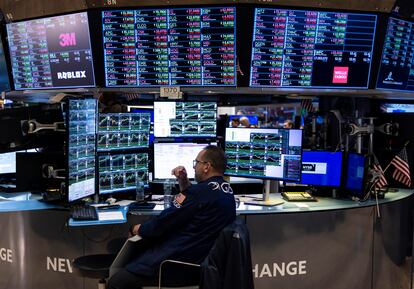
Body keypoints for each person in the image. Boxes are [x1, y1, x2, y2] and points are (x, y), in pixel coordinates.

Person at [107, 145, 236, 289]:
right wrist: (183, 180)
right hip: (201, 264)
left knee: (116, 283)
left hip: (175, 266)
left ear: (207, 166)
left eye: (197, 163)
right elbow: (194, 202)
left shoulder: (198, 194)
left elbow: (161, 224)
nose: (194, 167)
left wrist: (136, 228)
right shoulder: (227, 191)